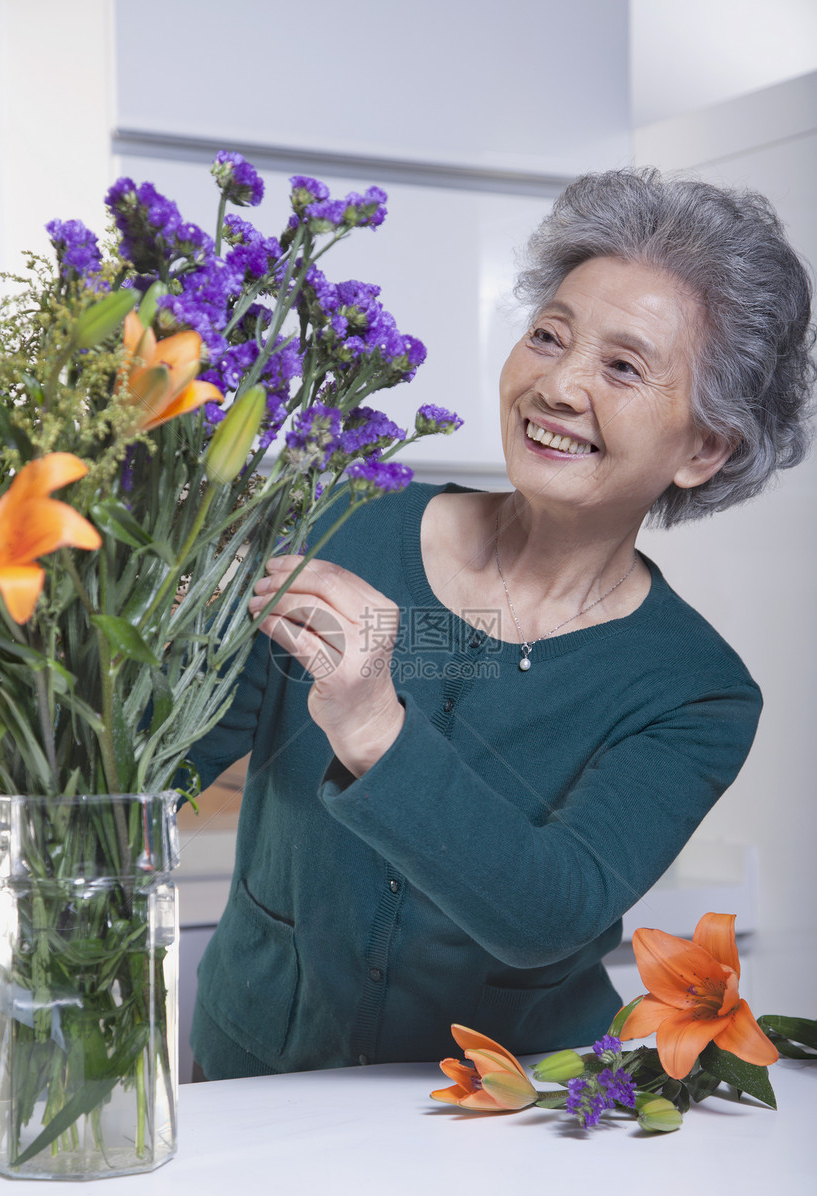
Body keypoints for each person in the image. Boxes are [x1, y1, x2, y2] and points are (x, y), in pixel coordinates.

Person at [188, 168, 815, 1080]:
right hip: (258, 1081)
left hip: (510, 1126)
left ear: (705, 447)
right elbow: (173, 757)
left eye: (623, 367)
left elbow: (549, 912)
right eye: (548, 336)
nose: (557, 385)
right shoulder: (341, 521)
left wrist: (371, 726)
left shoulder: (695, 690)